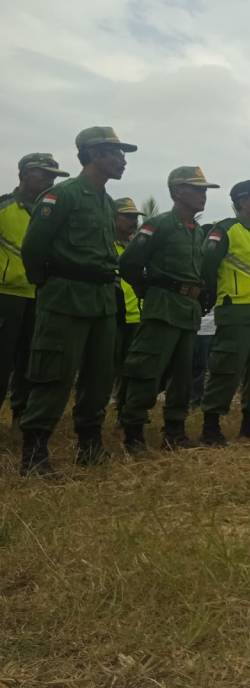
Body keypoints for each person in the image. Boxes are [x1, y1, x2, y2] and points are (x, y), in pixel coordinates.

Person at [18, 126, 135, 475]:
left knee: (100, 375)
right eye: (116, 153)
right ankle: (35, 452)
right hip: (66, 297)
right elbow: (34, 248)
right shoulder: (63, 195)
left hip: (100, 299)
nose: (122, 160)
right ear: (95, 154)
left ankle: (90, 445)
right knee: (54, 374)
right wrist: (48, 284)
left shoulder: (105, 201)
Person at [118, 167, 218, 452]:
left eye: (204, 190)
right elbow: (129, 264)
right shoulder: (158, 225)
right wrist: (149, 291)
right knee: (147, 370)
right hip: (162, 308)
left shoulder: (198, 232)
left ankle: (174, 431)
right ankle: (133, 431)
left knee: (183, 375)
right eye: (197, 189)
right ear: (177, 192)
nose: (203, 195)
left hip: (188, 311)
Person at [199, 179, 250, 445]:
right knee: (227, 368)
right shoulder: (225, 230)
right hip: (235, 309)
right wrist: (212, 295)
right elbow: (208, 265)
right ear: (243, 201)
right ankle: (211, 426)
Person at [0, 154, 70, 431]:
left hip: (41, 298)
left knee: (33, 362)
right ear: (24, 174)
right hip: (6, 297)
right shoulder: (4, 207)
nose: (50, 181)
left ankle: (22, 417)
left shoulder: (53, 212)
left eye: (53, 177)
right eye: (44, 175)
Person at [112, 197, 144, 426]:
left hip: (136, 317)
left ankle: (125, 415)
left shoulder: (137, 248)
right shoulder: (102, 244)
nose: (133, 222)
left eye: (135, 217)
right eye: (128, 216)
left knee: (132, 371)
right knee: (104, 370)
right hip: (112, 317)